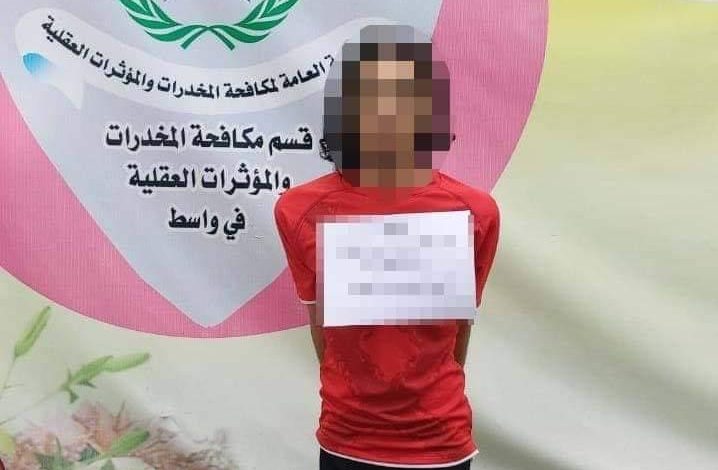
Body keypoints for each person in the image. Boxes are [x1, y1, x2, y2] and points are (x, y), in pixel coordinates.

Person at [274, 24, 500, 470]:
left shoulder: (475, 212)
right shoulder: (298, 211)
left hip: (442, 445)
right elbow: (325, 334)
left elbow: (455, 337)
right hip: (346, 442)